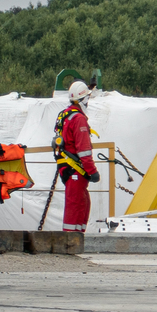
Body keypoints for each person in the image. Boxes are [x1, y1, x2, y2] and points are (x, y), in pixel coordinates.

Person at [52, 80, 99, 233]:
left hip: (67, 167)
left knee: (82, 203)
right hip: (75, 169)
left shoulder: (65, 115)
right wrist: (92, 171)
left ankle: (77, 238)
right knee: (76, 205)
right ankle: (71, 240)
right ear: (84, 99)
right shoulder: (78, 119)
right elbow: (84, 150)